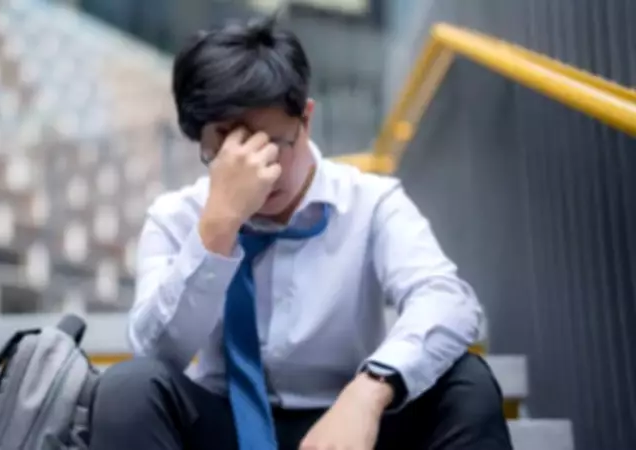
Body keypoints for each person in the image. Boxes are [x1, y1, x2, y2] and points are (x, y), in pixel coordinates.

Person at [90, 15, 513, 450]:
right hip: (224, 423)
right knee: (128, 389)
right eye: (230, 150)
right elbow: (156, 354)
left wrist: (370, 390)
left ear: (305, 119)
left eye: (271, 144)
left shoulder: (370, 202)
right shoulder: (177, 217)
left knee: (467, 382)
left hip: (348, 424)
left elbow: (448, 301)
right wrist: (219, 227)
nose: (259, 170)